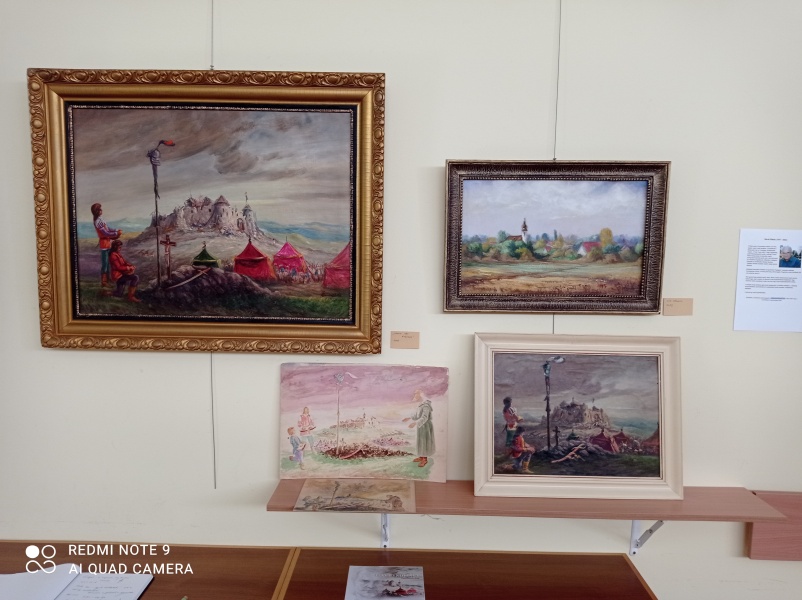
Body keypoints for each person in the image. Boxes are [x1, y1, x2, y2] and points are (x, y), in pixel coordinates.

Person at [91, 203, 121, 288]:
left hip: (107, 243)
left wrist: (115, 230)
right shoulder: (98, 221)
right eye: (99, 209)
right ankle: (104, 282)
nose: (101, 210)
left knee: (108, 263)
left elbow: (108, 229)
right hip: (104, 244)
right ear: (97, 211)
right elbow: (105, 233)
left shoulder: (100, 219)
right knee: (105, 264)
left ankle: (107, 279)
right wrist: (116, 233)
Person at [403, 389, 434, 468]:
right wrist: (409, 418)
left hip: (426, 426)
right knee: (420, 441)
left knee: (424, 441)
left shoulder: (426, 405)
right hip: (421, 426)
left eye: (416, 394)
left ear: (421, 394)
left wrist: (415, 423)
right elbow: (417, 415)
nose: (415, 395)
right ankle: (421, 456)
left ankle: (424, 459)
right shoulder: (421, 404)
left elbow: (424, 417)